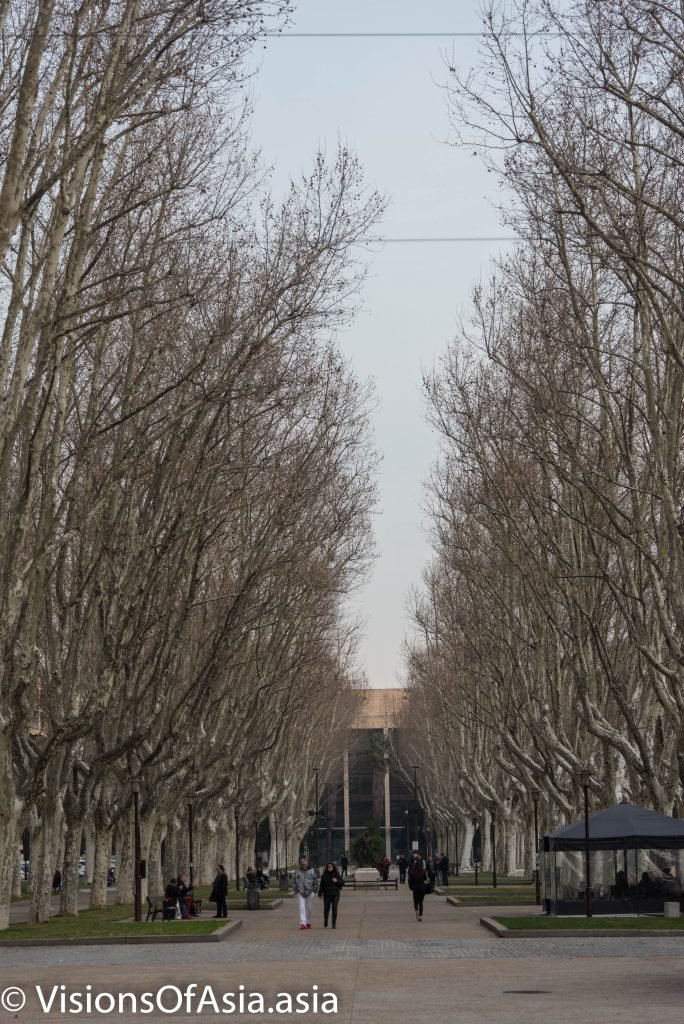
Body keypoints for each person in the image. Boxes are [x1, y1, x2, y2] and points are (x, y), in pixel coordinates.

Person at [318, 861, 344, 928]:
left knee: (334, 907)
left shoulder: (336, 874)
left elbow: (342, 883)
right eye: (328, 866)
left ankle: (333, 923)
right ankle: (326, 920)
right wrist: (320, 894)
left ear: (333, 867)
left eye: (331, 866)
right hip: (327, 894)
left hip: (335, 893)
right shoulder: (324, 875)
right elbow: (321, 885)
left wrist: (337, 881)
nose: (330, 867)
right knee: (326, 909)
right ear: (327, 868)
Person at [293, 857, 317, 929]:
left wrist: (314, 890)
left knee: (309, 909)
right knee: (302, 908)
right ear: (300, 864)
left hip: (310, 892)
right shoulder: (297, 872)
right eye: (303, 864)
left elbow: (315, 881)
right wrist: (296, 889)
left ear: (307, 864)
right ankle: (303, 923)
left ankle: (308, 922)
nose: (304, 865)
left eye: (305, 864)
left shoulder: (312, 871)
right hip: (301, 892)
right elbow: (294, 881)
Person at [408, 857, 428, 921]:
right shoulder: (423, 871)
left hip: (415, 888)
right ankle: (420, 914)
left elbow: (410, 881)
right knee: (421, 902)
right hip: (422, 888)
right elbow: (425, 879)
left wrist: (411, 887)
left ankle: (416, 910)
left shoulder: (412, 872)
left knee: (416, 901)